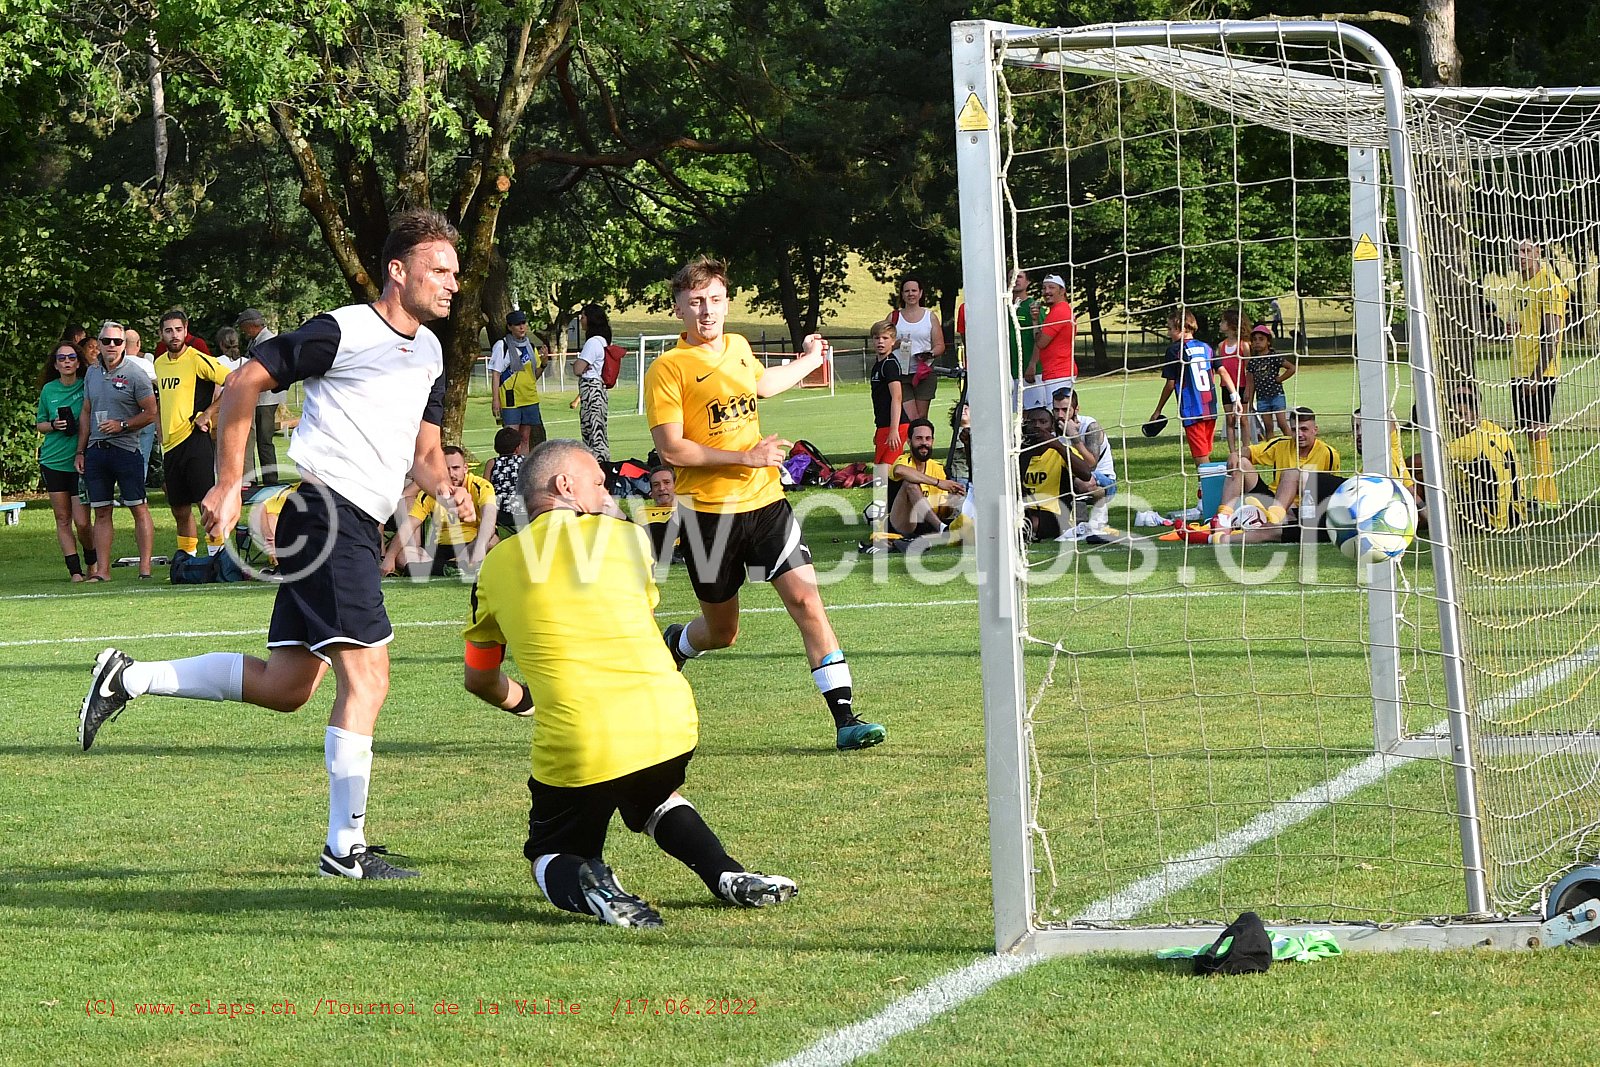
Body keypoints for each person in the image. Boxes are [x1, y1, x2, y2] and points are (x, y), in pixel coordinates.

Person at [78, 208, 476, 882]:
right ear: (397, 270)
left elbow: (426, 450)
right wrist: (229, 482)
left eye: (456, 273)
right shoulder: (344, 329)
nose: (452, 284)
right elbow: (244, 382)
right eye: (439, 270)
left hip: (354, 524)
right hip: (327, 516)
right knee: (369, 677)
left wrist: (446, 489)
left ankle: (129, 676)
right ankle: (344, 849)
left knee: (288, 686)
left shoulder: (432, 352)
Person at [461, 440, 796, 927]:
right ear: (564, 486)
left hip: (582, 738)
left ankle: (594, 883)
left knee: (549, 852)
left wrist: (525, 703)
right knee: (652, 796)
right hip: (670, 723)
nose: (608, 491)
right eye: (598, 482)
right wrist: (611, 517)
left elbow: (480, 677)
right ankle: (727, 873)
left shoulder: (495, 566)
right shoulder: (630, 539)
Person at [644, 256, 886, 751]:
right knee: (722, 632)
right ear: (678, 309)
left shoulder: (737, 346)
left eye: (715, 300)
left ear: (727, 303)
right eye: (696, 302)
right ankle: (679, 642)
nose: (707, 311)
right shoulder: (667, 369)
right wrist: (745, 456)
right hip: (708, 519)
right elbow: (671, 450)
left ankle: (845, 719)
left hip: (766, 505)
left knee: (807, 602)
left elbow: (761, 384)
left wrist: (810, 360)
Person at [74, 325, 157, 580]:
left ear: (124, 345)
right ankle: (103, 571)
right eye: (107, 341)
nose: (112, 345)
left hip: (126, 449)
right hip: (96, 450)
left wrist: (123, 424)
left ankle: (145, 568)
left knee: (138, 507)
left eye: (117, 341)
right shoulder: (92, 373)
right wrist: (80, 451)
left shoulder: (135, 373)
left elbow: (151, 412)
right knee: (101, 511)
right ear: (98, 344)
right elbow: (86, 410)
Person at [154, 309, 232, 558]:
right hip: (170, 446)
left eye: (178, 330)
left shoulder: (198, 359)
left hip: (195, 440)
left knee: (206, 504)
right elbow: (163, 401)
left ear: (186, 331)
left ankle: (218, 556)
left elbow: (233, 382)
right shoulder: (159, 363)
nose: (174, 335)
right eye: (169, 331)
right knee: (179, 508)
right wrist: (160, 430)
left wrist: (208, 413)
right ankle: (187, 560)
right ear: (161, 334)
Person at [1208, 406, 1341, 542]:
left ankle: (1266, 520)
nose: (1299, 434)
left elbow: (1328, 491)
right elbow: (1250, 451)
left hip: (1302, 509)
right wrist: (1235, 454)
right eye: (1294, 430)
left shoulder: (1329, 454)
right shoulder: (1280, 444)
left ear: (1315, 430)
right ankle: (1223, 519)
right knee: (1241, 463)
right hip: (1272, 499)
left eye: (1304, 429)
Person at [1508, 239, 1569, 506]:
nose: (1520, 256)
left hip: (1539, 372)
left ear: (1538, 252)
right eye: (1516, 252)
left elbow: (1552, 335)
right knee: (1528, 430)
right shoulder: (1518, 284)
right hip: (1518, 369)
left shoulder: (1550, 284)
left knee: (1538, 429)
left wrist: (1536, 375)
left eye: (1526, 251)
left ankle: (1544, 494)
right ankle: (1541, 491)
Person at [382, 444, 498, 578]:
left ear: (465, 468)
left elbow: (489, 519)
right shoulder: (432, 490)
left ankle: (443, 568)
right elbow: (409, 525)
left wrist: (478, 549)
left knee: (492, 540)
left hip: (472, 542)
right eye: (446, 469)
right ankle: (452, 567)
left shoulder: (481, 486)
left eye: (456, 468)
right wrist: (390, 556)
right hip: (441, 547)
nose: (452, 474)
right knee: (402, 555)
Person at [35, 341, 95, 580]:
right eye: (61, 358)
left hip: (80, 462)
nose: (67, 362)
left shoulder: (86, 385)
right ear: (55, 364)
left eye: (71, 357)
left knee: (82, 521)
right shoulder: (48, 390)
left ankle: (92, 562)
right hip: (52, 461)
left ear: (79, 362)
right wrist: (54, 425)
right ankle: (75, 571)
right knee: (62, 518)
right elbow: (40, 424)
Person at [1150, 309, 1240, 464]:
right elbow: (1223, 371)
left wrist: (1158, 410)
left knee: (1202, 461)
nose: (1169, 333)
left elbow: (1170, 384)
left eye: (1170, 329)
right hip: (1210, 409)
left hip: (1192, 410)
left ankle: (1216, 481)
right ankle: (1210, 481)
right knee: (1205, 454)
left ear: (1181, 328)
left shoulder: (1175, 350)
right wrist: (1235, 397)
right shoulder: (1207, 347)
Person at [1446, 385, 1526, 532]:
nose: (1455, 420)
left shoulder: (1468, 443)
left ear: (1476, 414)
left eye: (1461, 414)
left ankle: (1419, 516)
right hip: (1516, 514)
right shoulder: (1495, 430)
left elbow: (1422, 463)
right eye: (1452, 415)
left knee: (1428, 474)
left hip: (1487, 521)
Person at [885, 419, 965, 548]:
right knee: (910, 485)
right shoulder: (903, 461)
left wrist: (953, 500)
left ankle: (937, 533)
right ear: (909, 441)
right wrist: (938, 483)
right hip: (902, 523)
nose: (924, 443)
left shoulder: (938, 468)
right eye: (919, 438)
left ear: (932, 441)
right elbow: (900, 470)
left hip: (928, 524)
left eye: (928, 438)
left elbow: (943, 509)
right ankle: (942, 529)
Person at [1052, 389, 1119, 537]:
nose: (1060, 415)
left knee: (1083, 482)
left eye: (1065, 410)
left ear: (1076, 409)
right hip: (1066, 477)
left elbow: (1090, 465)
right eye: (1056, 410)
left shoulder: (1090, 426)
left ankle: (1096, 523)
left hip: (1102, 480)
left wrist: (1074, 437)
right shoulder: (1052, 427)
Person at [489, 309, 547, 451]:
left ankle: (523, 463)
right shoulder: (502, 346)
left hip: (529, 398)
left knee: (525, 438)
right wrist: (495, 399)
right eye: (517, 324)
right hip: (511, 399)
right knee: (511, 438)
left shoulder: (530, 346)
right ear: (510, 327)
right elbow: (496, 374)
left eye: (523, 323)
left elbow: (534, 376)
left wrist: (544, 363)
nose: (521, 327)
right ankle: (511, 463)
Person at [237, 309, 283, 485]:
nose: (243, 332)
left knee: (264, 441)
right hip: (260, 398)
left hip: (266, 399)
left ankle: (271, 480)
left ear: (251, 325)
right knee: (258, 440)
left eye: (244, 328)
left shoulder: (267, 341)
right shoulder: (257, 340)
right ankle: (257, 479)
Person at [891, 275, 944, 421]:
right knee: (911, 417)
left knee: (921, 417)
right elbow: (882, 342)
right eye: (907, 291)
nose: (910, 294)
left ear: (920, 293)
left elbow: (940, 345)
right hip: (900, 374)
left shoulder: (930, 317)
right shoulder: (894, 317)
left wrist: (929, 354)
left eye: (914, 290)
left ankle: (922, 436)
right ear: (902, 294)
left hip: (923, 373)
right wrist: (896, 344)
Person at [1023, 274, 1076, 412]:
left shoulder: (1059, 312)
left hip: (1058, 373)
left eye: (1051, 287)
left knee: (1059, 413)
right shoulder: (1058, 311)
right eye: (1044, 288)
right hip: (1058, 371)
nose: (1047, 291)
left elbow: (1041, 343)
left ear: (1062, 291)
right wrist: (1035, 320)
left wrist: (1036, 326)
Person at [867, 318, 907, 486]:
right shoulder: (878, 365)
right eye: (877, 338)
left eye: (885, 338)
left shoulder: (890, 364)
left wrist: (893, 429)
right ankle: (885, 502)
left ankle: (893, 503)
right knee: (880, 472)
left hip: (896, 425)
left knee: (885, 473)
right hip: (883, 425)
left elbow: (897, 397)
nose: (880, 342)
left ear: (893, 341)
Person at [573, 303, 611, 464]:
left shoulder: (593, 342)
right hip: (598, 390)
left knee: (593, 432)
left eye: (583, 317)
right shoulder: (603, 341)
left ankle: (600, 466)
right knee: (598, 429)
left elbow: (578, 369)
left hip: (591, 391)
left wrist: (578, 363)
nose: (581, 320)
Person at [121, 327, 159, 479]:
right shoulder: (146, 365)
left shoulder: (117, 364)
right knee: (142, 457)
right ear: (138, 344)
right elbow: (159, 385)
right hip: (145, 416)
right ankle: (138, 487)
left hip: (123, 416)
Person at [1246, 324, 1294, 441]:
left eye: (1261, 339)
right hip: (1262, 398)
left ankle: (1291, 444)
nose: (1257, 342)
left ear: (1268, 342)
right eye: (1254, 340)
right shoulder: (1252, 362)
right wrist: (1250, 401)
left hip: (1276, 394)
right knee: (1268, 426)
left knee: (1282, 423)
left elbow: (1291, 368)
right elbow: (1251, 383)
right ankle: (1271, 447)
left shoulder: (1274, 357)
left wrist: (1280, 379)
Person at [1214, 310, 1252, 450]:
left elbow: (1249, 369)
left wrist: (1248, 388)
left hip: (1241, 386)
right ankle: (1232, 451)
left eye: (1223, 321)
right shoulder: (1221, 346)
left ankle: (1246, 448)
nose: (1220, 324)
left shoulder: (1243, 345)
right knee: (1230, 419)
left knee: (1243, 419)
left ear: (1231, 324)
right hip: (1226, 387)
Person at [485, 425, 528, 533]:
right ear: (518, 448)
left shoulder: (492, 463)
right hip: (522, 510)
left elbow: (485, 487)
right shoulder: (525, 461)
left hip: (499, 513)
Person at [637, 466, 682, 565]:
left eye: (667, 482)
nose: (661, 488)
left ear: (677, 486)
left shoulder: (688, 510)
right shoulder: (642, 512)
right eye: (656, 485)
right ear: (651, 492)